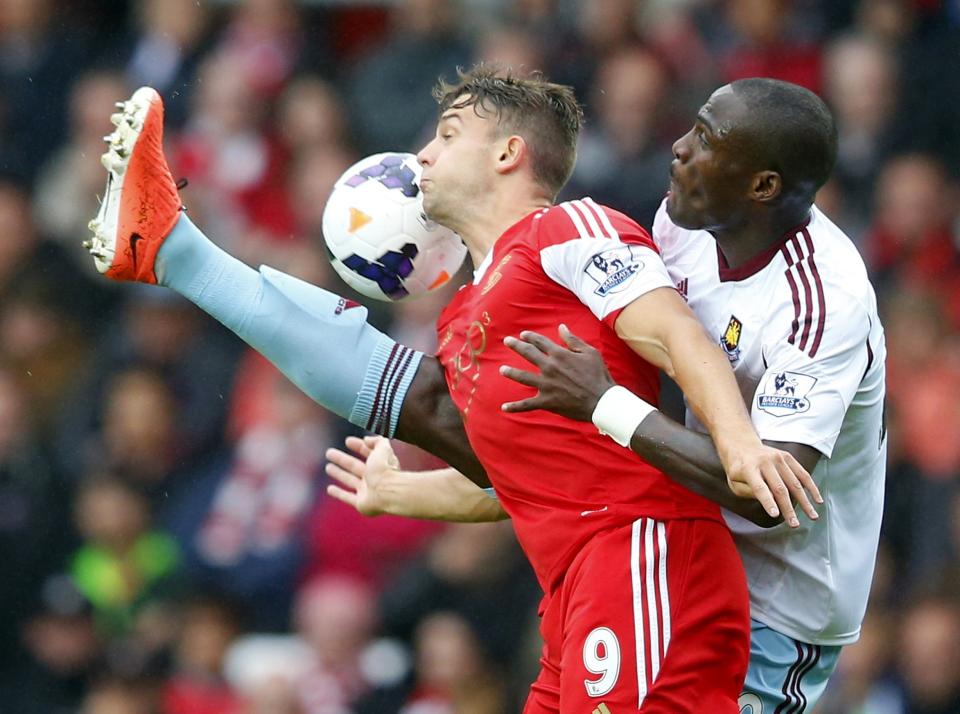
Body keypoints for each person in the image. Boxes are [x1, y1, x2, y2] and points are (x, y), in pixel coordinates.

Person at [85, 71, 819, 712]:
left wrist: (738, 442)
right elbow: (521, 478)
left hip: (645, 557)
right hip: (571, 586)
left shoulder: (567, 227)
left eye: (445, 133)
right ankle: (170, 251)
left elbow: (675, 335)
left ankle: (173, 249)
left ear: (508, 153)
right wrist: (406, 493)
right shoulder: (465, 314)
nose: (422, 155)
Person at [330, 79, 887, 714]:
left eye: (707, 139)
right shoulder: (680, 228)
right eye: (691, 126)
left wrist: (605, 403)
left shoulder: (824, 304)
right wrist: (405, 492)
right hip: (655, 564)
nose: (679, 148)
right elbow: (556, 464)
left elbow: (762, 493)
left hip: (781, 605)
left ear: (762, 186)